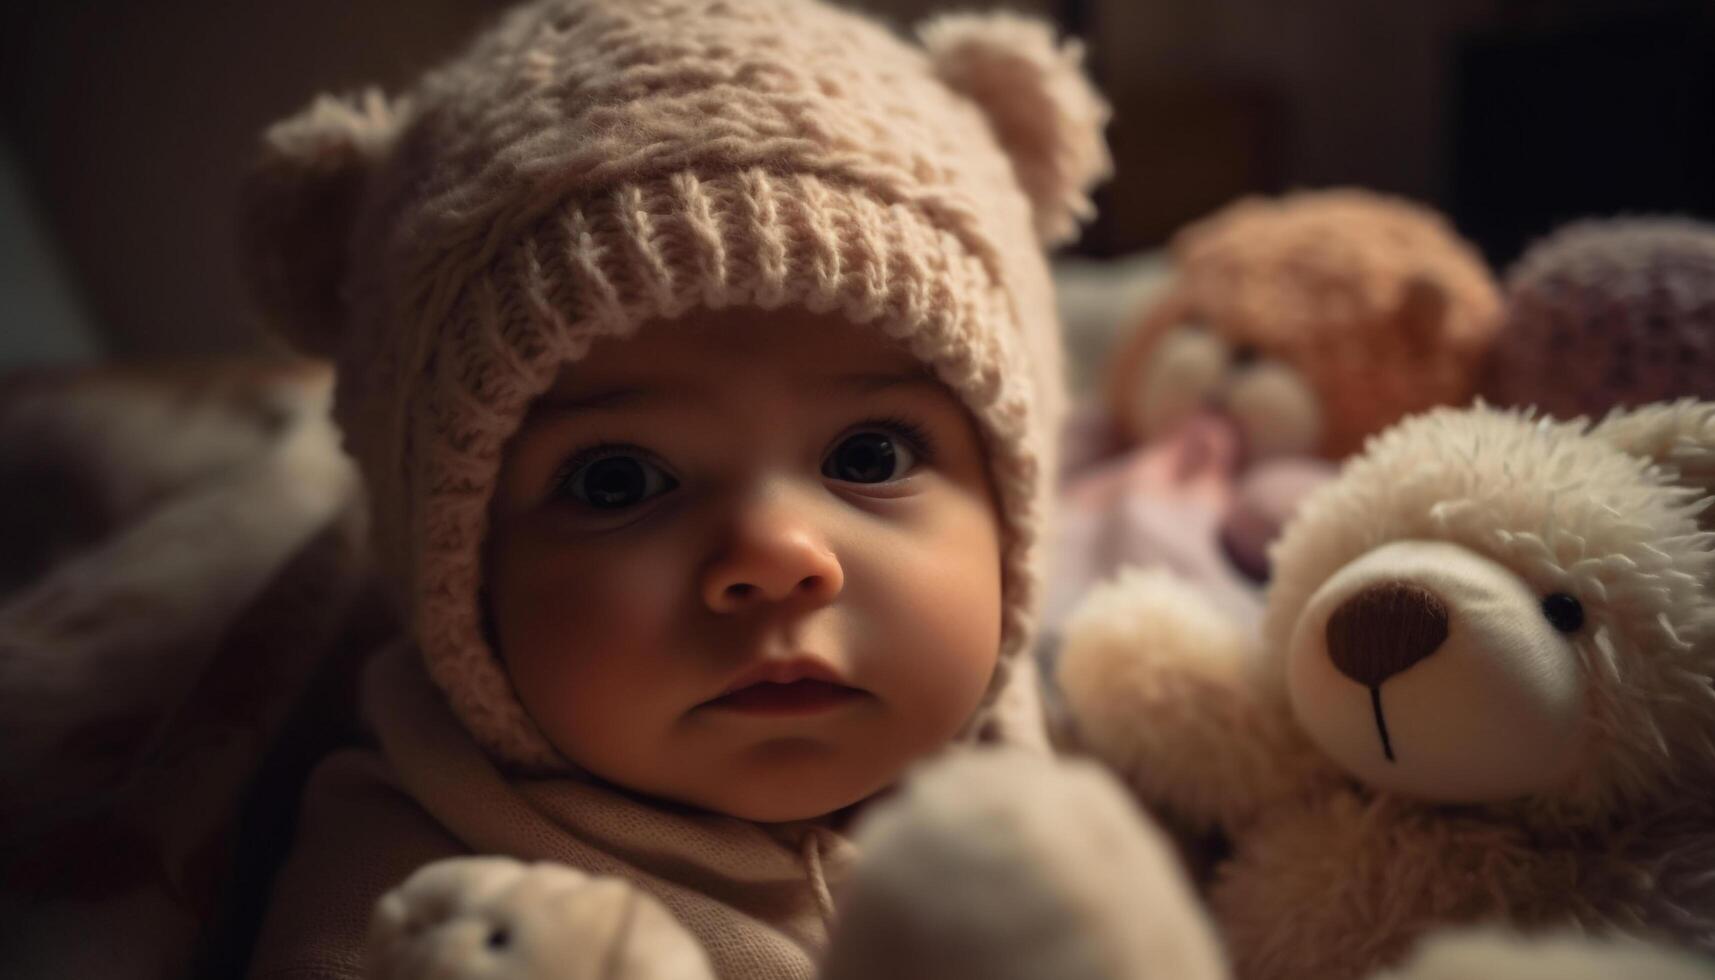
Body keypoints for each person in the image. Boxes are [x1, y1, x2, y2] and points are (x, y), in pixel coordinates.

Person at [238, 0, 1110, 976]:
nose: (776, 556)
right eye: (617, 480)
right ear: (457, 581)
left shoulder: (1080, 765)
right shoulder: (412, 883)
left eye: (869, 457)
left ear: (1012, 512)